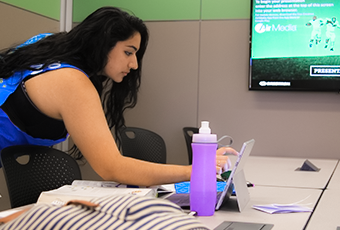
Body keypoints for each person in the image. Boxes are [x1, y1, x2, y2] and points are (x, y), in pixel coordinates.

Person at [0, 6, 237, 186]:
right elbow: (112, 167)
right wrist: (193, 170)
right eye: (128, 52)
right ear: (101, 44)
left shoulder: (47, 47)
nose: (134, 64)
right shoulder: (71, 82)